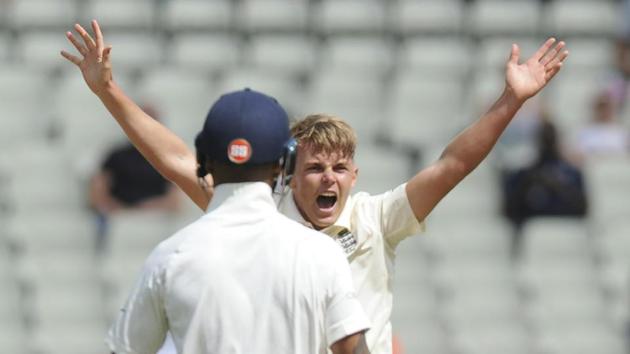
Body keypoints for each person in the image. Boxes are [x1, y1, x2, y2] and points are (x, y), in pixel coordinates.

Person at [61, 19, 569, 353]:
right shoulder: (263, 210)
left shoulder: (375, 217)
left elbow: (452, 164)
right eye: (315, 168)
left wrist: (511, 101)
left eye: (339, 168)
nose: (329, 178)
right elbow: (177, 161)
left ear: (354, 176)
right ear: (287, 172)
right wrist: (109, 92)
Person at [63, 22, 371, 354]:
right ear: (285, 164)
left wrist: (106, 89)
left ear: (206, 160)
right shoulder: (321, 253)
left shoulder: (172, 256)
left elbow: (176, 158)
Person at [89, 104, 180, 250]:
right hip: (117, 218)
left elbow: (174, 200)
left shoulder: (168, 159)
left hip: (155, 219)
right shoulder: (115, 155)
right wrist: (117, 209)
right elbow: (98, 191)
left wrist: (147, 210)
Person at [502, 118, 588, 257]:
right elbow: (510, 209)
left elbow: (582, 208)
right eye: (544, 138)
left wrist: (555, 185)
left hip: (567, 233)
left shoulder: (572, 173)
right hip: (532, 231)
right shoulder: (526, 175)